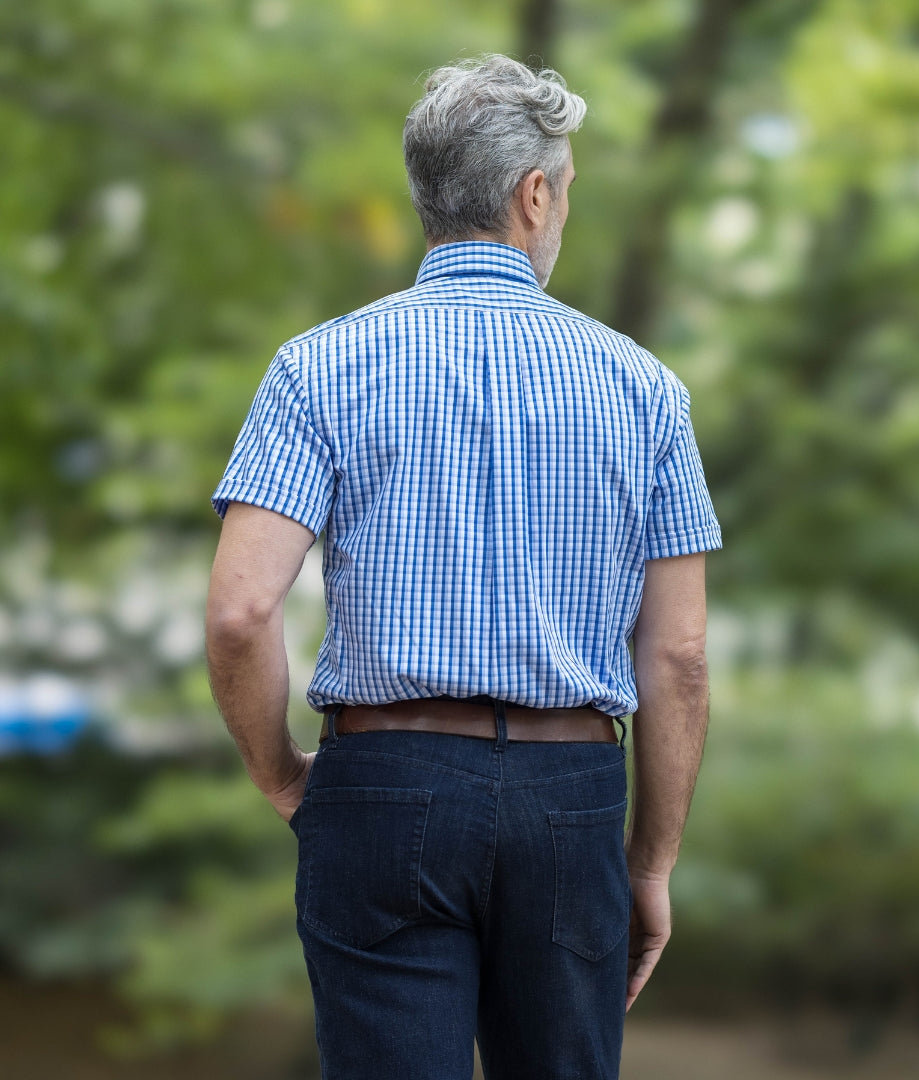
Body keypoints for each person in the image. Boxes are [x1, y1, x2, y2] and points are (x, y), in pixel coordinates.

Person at [206, 53, 721, 1080]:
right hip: (571, 793)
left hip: (381, 783)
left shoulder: (321, 365)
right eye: (567, 189)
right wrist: (650, 863)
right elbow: (679, 659)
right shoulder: (645, 387)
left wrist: (281, 777)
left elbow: (239, 611)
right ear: (535, 194)